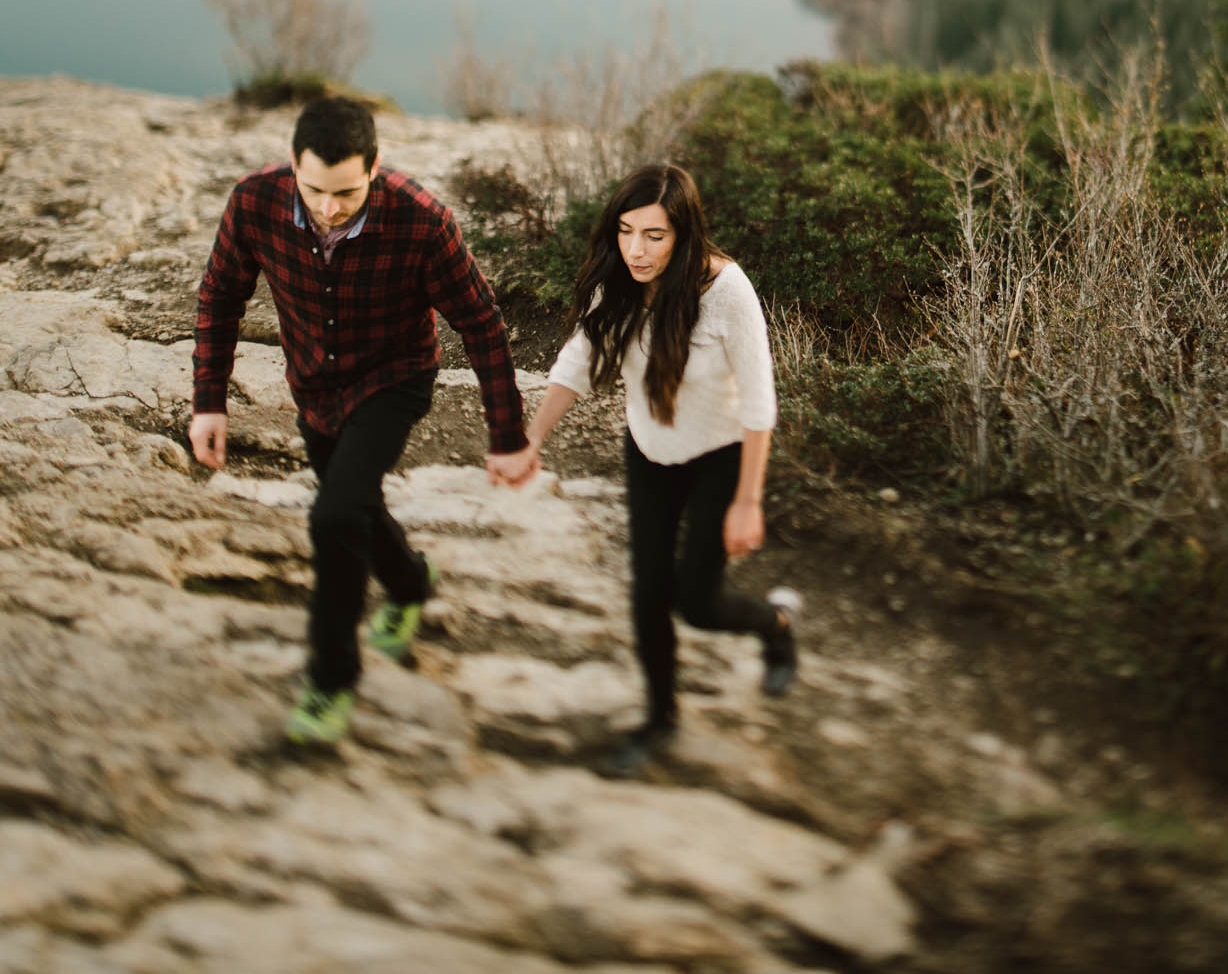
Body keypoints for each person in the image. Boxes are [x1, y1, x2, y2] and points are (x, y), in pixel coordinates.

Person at [189, 96, 537, 744]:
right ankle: (410, 581)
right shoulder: (254, 201)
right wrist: (209, 398)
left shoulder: (422, 219)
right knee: (355, 505)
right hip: (314, 387)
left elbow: (481, 322)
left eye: (346, 192)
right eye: (315, 189)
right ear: (294, 163)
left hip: (393, 379)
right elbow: (220, 295)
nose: (327, 207)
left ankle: (329, 681)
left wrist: (506, 435)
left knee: (336, 515)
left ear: (374, 167)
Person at [524, 162, 797, 776]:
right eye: (625, 232)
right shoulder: (618, 282)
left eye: (654, 235)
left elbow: (759, 404)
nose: (636, 250)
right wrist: (531, 439)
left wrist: (748, 500)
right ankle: (660, 718)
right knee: (649, 595)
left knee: (696, 603)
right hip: (649, 451)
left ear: (683, 233)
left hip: (719, 458)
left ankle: (776, 625)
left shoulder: (726, 291)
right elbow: (578, 359)